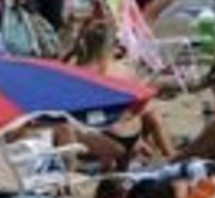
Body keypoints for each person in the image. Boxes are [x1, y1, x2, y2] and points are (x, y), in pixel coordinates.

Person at [63, 22, 175, 170]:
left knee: (67, 123)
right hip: (131, 137)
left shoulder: (76, 71)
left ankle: (83, 166)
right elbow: (139, 106)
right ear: (111, 46)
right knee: (151, 111)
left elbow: (77, 113)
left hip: (106, 138)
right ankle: (172, 156)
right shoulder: (124, 68)